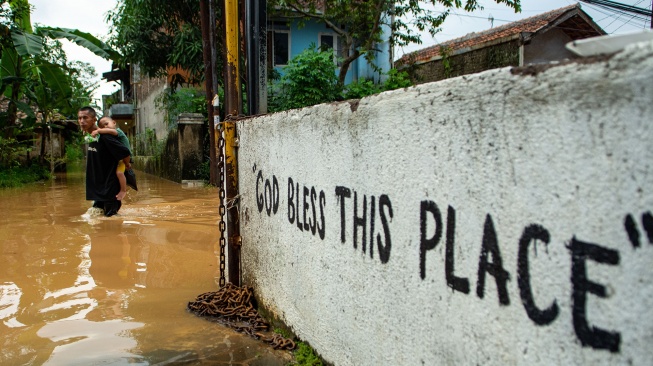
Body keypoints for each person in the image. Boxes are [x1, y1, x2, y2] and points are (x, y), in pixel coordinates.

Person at [77, 106, 131, 217]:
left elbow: (125, 151)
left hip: (110, 190)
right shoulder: (92, 137)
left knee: (112, 222)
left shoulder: (105, 137)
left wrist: (126, 164)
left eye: (85, 118)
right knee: (97, 221)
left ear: (94, 120)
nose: (82, 121)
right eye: (79, 118)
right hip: (99, 190)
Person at [92, 116, 133, 201]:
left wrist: (98, 130)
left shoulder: (118, 131)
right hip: (120, 158)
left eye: (106, 124)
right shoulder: (108, 137)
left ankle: (123, 190)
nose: (105, 127)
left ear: (114, 123)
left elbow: (111, 131)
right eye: (103, 126)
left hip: (124, 156)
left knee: (119, 173)